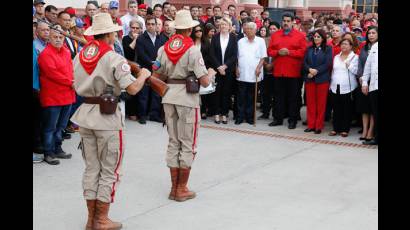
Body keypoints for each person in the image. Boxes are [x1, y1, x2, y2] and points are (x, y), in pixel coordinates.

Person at [71, 13, 151, 230]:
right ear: (110, 34)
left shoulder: (79, 56)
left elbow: (73, 83)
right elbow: (133, 88)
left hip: (86, 114)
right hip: (107, 118)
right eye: (115, 31)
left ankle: (91, 219)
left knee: (91, 169)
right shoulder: (113, 57)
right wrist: (143, 75)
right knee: (110, 170)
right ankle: (101, 219)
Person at [153, 9, 216, 202]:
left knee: (173, 141)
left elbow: (157, 75)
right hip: (187, 99)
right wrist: (211, 73)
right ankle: (181, 188)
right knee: (188, 142)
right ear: (189, 29)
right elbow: (204, 82)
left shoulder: (163, 49)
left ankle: (174, 187)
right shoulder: (192, 50)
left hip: (168, 96)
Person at [38, 26, 76, 165]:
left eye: (61, 37)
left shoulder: (66, 52)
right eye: (55, 37)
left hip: (67, 95)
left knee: (61, 126)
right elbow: (53, 74)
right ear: (49, 38)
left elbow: (71, 70)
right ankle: (48, 153)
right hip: (52, 97)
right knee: (50, 127)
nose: (58, 39)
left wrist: (73, 81)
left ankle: (58, 148)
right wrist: (71, 82)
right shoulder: (45, 54)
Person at [267, 13, 307, 129]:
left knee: (293, 97)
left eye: (288, 21)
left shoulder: (300, 36)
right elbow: (270, 51)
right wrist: (278, 52)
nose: (285, 23)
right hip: (278, 71)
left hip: (293, 72)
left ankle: (292, 120)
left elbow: (303, 52)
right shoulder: (276, 35)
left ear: (293, 22)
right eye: (284, 21)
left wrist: (289, 52)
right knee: (278, 97)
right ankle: (278, 119)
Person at [135, 15, 167, 124]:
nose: (150, 26)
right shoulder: (140, 39)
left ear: (156, 25)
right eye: (148, 24)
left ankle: (154, 115)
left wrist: (158, 64)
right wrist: (151, 62)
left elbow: (164, 53)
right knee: (143, 94)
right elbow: (141, 54)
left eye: (153, 24)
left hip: (158, 70)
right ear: (145, 25)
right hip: (145, 69)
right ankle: (142, 115)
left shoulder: (161, 38)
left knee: (156, 93)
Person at [236, 22, 267, 125]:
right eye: (247, 29)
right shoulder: (240, 41)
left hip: (255, 74)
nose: (248, 30)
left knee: (251, 97)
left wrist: (259, 67)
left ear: (255, 30)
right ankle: (240, 117)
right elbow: (236, 57)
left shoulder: (261, 41)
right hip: (242, 73)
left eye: (251, 29)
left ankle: (249, 117)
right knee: (241, 96)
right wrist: (236, 68)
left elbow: (263, 57)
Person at [302, 29, 332, 134]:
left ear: (323, 38)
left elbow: (327, 63)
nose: (315, 38)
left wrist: (316, 71)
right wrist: (309, 70)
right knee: (310, 103)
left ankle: (318, 126)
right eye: (314, 36)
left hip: (322, 79)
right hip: (310, 78)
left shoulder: (328, 49)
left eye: (318, 36)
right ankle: (311, 125)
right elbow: (304, 62)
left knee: (321, 103)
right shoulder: (309, 49)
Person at [209, 17, 238, 124]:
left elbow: (234, 55)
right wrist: (219, 67)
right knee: (217, 92)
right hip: (216, 70)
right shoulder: (215, 37)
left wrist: (225, 66)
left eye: (225, 25)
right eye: (221, 25)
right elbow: (211, 54)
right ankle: (217, 113)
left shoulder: (233, 37)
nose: (223, 26)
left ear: (229, 26)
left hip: (228, 70)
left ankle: (224, 114)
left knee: (226, 92)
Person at [328, 38, 358, 137]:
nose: (343, 46)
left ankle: (345, 129)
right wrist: (330, 84)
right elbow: (333, 70)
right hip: (335, 85)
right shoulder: (336, 57)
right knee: (336, 109)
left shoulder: (354, 57)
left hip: (348, 87)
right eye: (342, 44)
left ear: (350, 46)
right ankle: (335, 128)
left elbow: (356, 72)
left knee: (347, 109)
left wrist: (349, 65)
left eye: (346, 44)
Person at [191, 25, 213, 119]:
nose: (199, 32)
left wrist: (206, 69)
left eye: (200, 30)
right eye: (196, 31)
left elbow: (209, 56)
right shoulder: (191, 42)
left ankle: (203, 111)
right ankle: (193, 109)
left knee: (203, 91)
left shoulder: (206, 42)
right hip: (191, 69)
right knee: (192, 89)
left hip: (203, 68)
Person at [360, 27, 378, 145]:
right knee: (375, 112)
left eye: (373, 33)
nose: (371, 35)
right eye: (369, 33)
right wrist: (365, 83)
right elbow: (367, 67)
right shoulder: (374, 48)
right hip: (374, 86)